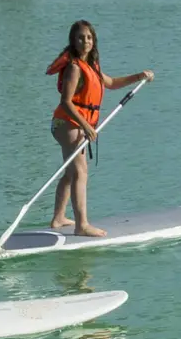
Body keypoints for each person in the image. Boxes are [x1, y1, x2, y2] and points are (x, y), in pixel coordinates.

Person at [47, 21, 154, 238]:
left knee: (71, 172)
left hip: (74, 125)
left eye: (88, 37)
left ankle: (59, 217)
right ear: (73, 41)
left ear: (93, 40)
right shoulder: (75, 68)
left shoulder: (92, 66)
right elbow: (66, 101)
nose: (85, 41)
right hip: (68, 124)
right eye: (80, 38)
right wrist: (86, 126)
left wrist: (139, 76)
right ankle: (82, 225)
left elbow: (112, 82)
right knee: (80, 172)